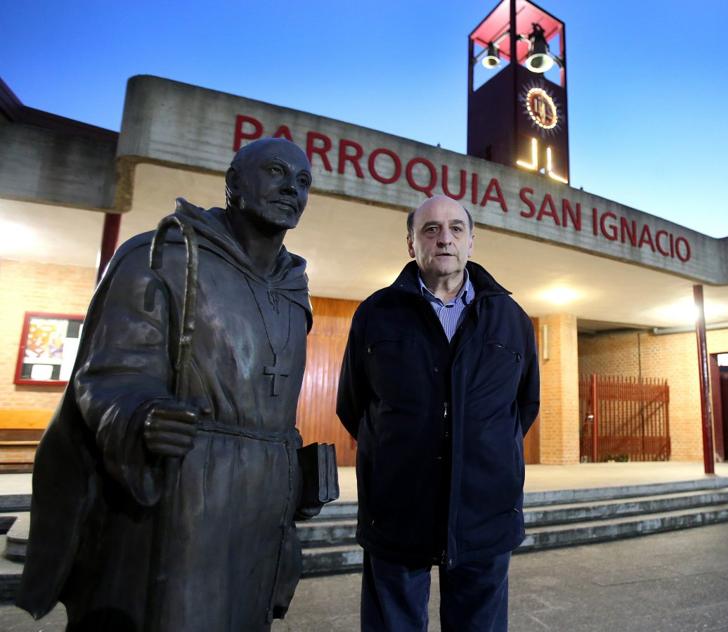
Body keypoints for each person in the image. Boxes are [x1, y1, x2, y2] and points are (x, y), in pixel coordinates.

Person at [17, 138, 318, 631]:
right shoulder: (162, 256)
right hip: (181, 490)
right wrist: (144, 415)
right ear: (234, 184)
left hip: (259, 508)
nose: (292, 188)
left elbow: (272, 399)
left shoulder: (292, 288)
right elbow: (109, 374)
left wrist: (296, 469)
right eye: (276, 172)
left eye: (304, 182)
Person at [337, 194, 540, 631]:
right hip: (396, 512)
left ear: (472, 241)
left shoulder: (512, 319)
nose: (443, 238)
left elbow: (524, 406)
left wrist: (482, 449)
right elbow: (352, 404)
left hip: (484, 514)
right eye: (430, 229)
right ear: (411, 244)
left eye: (455, 229)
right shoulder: (375, 315)